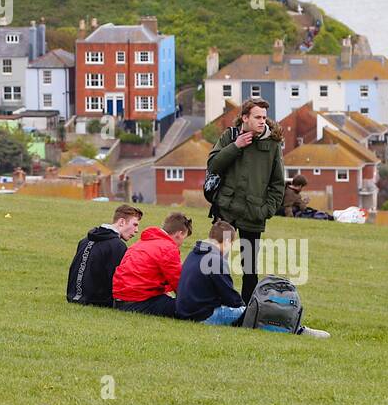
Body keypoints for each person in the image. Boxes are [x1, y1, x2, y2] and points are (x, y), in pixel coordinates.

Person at [177, 220, 331, 337]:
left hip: (186, 312)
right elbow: (231, 298)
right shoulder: (215, 260)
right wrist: (248, 308)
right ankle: (297, 330)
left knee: (246, 312)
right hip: (202, 316)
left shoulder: (195, 253)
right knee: (255, 311)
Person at [206, 97, 285, 302]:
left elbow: (278, 183)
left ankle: (247, 311)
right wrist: (236, 146)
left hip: (254, 213)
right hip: (226, 209)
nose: (262, 121)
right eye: (257, 117)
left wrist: (266, 210)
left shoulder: (273, 144)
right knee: (215, 261)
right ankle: (213, 303)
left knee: (249, 268)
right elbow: (213, 166)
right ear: (244, 118)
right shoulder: (230, 136)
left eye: (265, 117)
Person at [111, 212, 193, 317]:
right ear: (180, 233)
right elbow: (179, 282)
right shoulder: (167, 247)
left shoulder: (141, 243)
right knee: (192, 308)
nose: (181, 243)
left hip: (120, 300)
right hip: (138, 302)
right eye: (184, 237)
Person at [66, 204, 142, 307]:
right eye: (135, 224)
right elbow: (118, 281)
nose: (137, 230)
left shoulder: (85, 240)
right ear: (122, 222)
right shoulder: (117, 246)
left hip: (73, 296)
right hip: (98, 302)